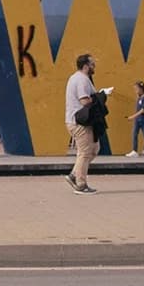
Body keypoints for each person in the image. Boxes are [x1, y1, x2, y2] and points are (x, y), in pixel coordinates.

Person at [64, 53, 101, 194]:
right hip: (79, 122)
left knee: (94, 149)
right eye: (92, 64)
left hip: (79, 121)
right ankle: (80, 184)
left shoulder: (81, 78)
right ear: (85, 66)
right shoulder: (82, 80)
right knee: (85, 152)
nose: (94, 66)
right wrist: (100, 97)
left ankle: (74, 174)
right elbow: (84, 101)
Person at [129, 81, 144, 157]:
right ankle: (134, 150)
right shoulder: (139, 98)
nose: (135, 91)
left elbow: (143, 110)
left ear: (141, 89)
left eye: (136, 89)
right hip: (138, 120)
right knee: (134, 134)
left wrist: (133, 116)